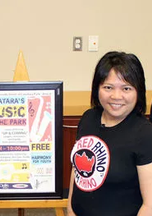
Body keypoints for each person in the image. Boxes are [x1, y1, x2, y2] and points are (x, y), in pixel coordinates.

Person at [67, 51, 152, 216]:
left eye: (126, 88)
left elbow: (149, 206)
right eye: (108, 87)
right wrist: (70, 209)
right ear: (96, 88)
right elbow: (77, 169)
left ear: (138, 91)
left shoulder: (145, 134)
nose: (116, 96)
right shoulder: (88, 118)